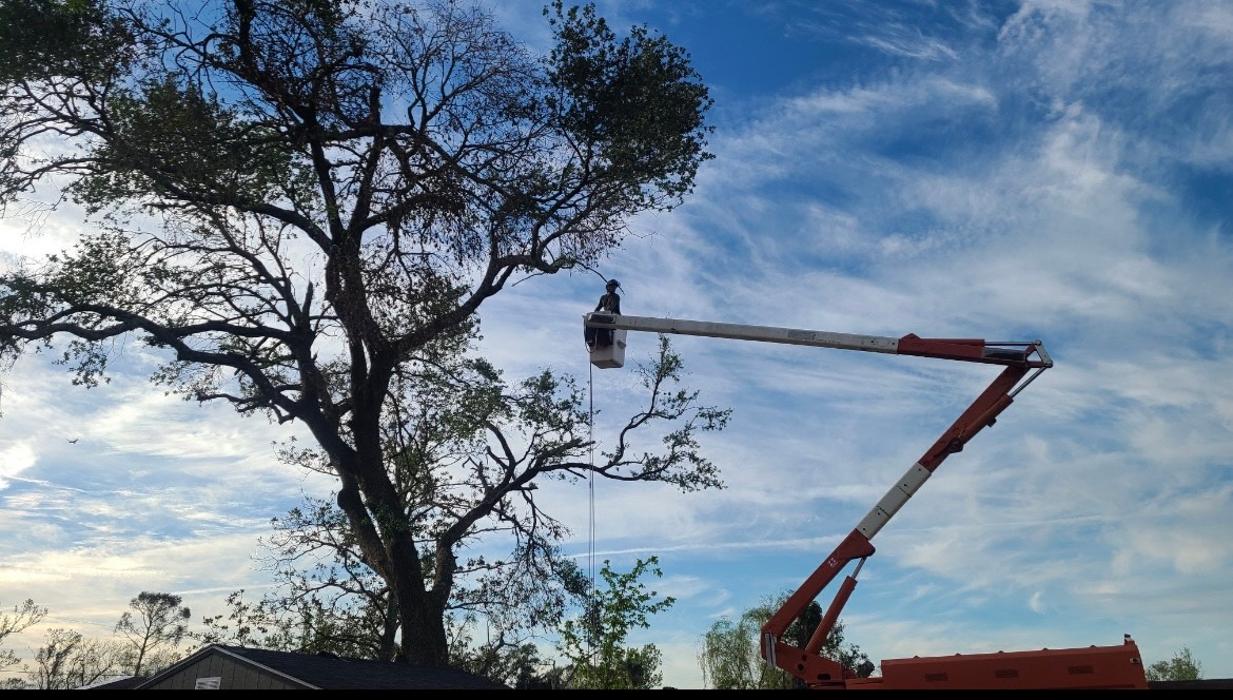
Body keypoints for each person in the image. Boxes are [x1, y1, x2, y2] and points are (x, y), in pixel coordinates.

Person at [585, 279, 621, 349]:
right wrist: (594, 316)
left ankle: (607, 340)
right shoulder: (603, 297)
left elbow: (611, 308)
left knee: (605, 325)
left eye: (615, 287)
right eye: (612, 286)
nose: (614, 288)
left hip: (614, 316)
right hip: (606, 316)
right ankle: (591, 340)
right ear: (607, 287)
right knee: (590, 323)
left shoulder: (616, 297)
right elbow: (597, 308)